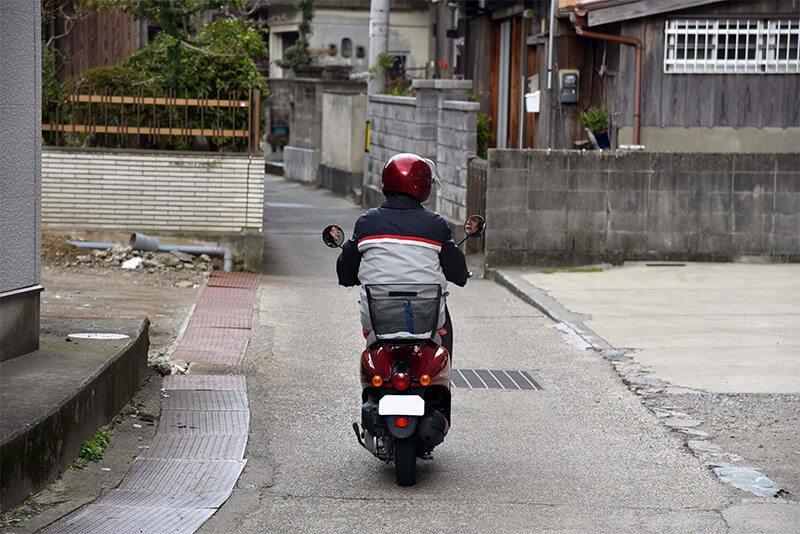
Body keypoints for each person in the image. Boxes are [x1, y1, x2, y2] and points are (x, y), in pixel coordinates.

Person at [336, 153, 469, 357]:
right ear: (424, 185)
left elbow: (346, 271)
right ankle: (445, 381)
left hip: (377, 317)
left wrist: (349, 276)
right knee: (443, 323)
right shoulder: (436, 225)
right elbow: (457, 271)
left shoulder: (367, 222)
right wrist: (460, 275)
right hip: (425, 317)